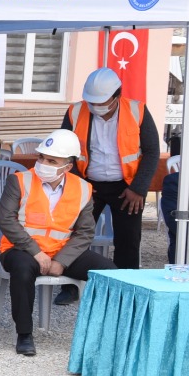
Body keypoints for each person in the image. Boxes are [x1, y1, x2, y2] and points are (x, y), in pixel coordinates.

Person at [0, 129, 112, 355]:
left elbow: (85, 232)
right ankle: (24, 334)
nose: (42, 164)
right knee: (22, 269)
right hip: (20, 249)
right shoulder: (18, 180)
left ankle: (103, 334)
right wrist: (36, 252)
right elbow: (6, 220)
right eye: (41, 157)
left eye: (51, 161)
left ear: (67, 167)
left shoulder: (83, 188)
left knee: (109, 272)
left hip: (61, 251)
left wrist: (62, 261)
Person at [60, 67, 161, 273]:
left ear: (117, 96)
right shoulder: (75, 112)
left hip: (128, 188)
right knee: (75, 237)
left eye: (101, 102)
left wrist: (138, 188)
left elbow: (152, 152)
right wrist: (80, 185)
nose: (96, 107)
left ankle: (125, 285)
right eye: (92, 102)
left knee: (128, 241)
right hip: (88, 186)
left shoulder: (138, 111)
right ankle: (72, 285)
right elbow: (64, 150)